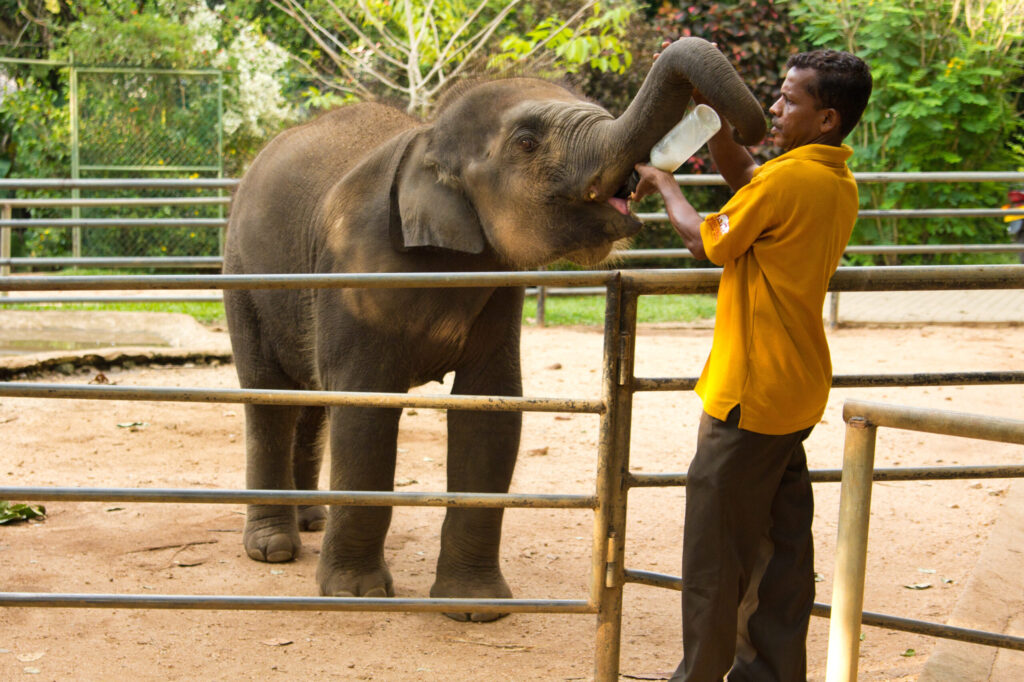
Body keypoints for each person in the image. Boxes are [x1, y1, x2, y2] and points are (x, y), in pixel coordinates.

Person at [630, 48, 872, 681]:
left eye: (790, 99)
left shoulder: (787, 181)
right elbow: (747, 178)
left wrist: (665, 185)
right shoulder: (832, 179)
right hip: (794, 392)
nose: (775, 106)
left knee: (715, 557)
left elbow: (704, 240)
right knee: (780, 553)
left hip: (748, 396)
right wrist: (711, 117)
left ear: (826, 118)